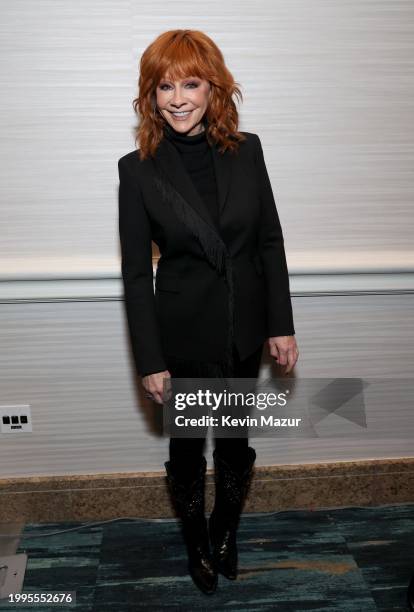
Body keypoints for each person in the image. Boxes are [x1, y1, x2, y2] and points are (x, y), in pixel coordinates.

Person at [118, 29, 299, 595]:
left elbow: (269, 240)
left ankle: (226, 528)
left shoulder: (248, 150)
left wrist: (281, 323)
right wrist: (149, 359)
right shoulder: (138, 169)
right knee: (188, 445)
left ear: (213, 87)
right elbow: (133, 273)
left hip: (244, 328)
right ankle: (196, 535)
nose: (177, 98)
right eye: (164, 86)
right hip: (182, 333)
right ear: (150, 95)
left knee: (237, 438)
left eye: (190, 83)